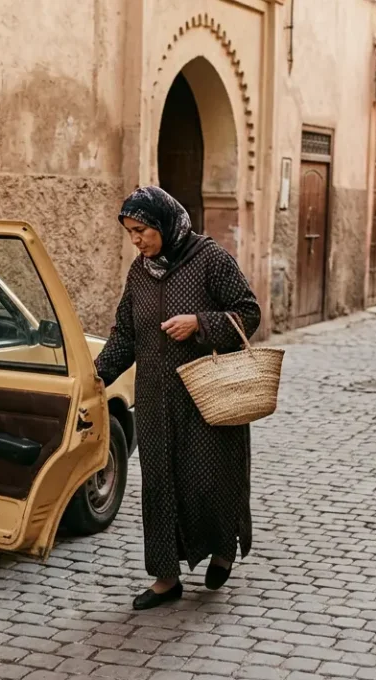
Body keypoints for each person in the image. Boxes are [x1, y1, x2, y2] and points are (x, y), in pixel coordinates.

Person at [94, 186, 262, 610]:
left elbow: (249, 312)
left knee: (212, 478)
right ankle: (166, 579)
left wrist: (200, 323)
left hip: (207, 394)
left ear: (165, 224)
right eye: (131, 232)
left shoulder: (210, 259)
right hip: (154, 399)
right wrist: (96, 375)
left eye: (143, 231)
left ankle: (222, 552)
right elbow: (126, 333)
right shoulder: (139, 273)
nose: (137, 240)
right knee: (160, 485)